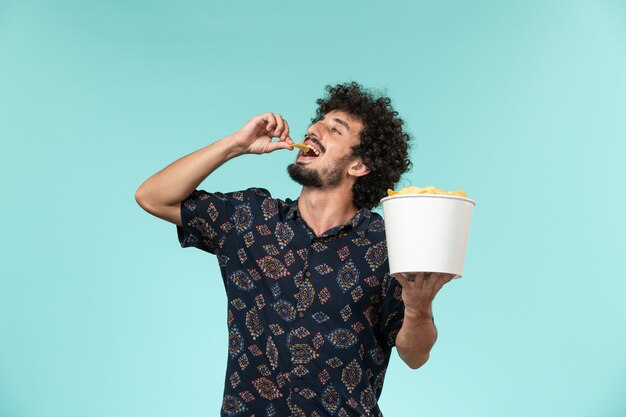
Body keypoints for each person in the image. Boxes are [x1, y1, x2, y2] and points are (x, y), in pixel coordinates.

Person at [135, 82, 454, 417]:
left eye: (334, 129)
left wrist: (419, 307)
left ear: (359, 165)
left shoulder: (389, 243)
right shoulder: (250, 218)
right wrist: (235, 145)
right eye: (318, 121)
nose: (314, 128)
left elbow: (415, 356)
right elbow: (152, 197)